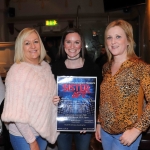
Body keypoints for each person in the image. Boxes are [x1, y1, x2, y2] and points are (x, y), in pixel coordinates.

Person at [95, 19, 150, 150]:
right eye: (109, 37)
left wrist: (137, 130)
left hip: (126, 135)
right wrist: (99, 123)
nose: (113, 42)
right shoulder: (106, 67)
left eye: (118, 37)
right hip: (105, 132)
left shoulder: (140, 67)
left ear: (128, 41)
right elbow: (105, 99)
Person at [1, 28, 59, 150]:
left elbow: (47, 96)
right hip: (23, 135)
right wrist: (31, 141)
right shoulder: (17, 71)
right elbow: (17, 114)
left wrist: (54, 100)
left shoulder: (45, 66)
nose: (33, 46)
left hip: (42, 131)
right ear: (21, 47)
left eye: (35, 41)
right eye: (27, 43)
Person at [52, 28, 100, 150]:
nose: (72, 46)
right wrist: (52, 99)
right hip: (61, 124)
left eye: (77, 42)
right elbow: (48, 93)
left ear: (82, 45)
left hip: (84, 125)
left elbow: (98, 98)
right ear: (63, 45)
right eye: (68, 42)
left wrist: (89, 121)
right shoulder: (55, 68)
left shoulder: (93, 68)